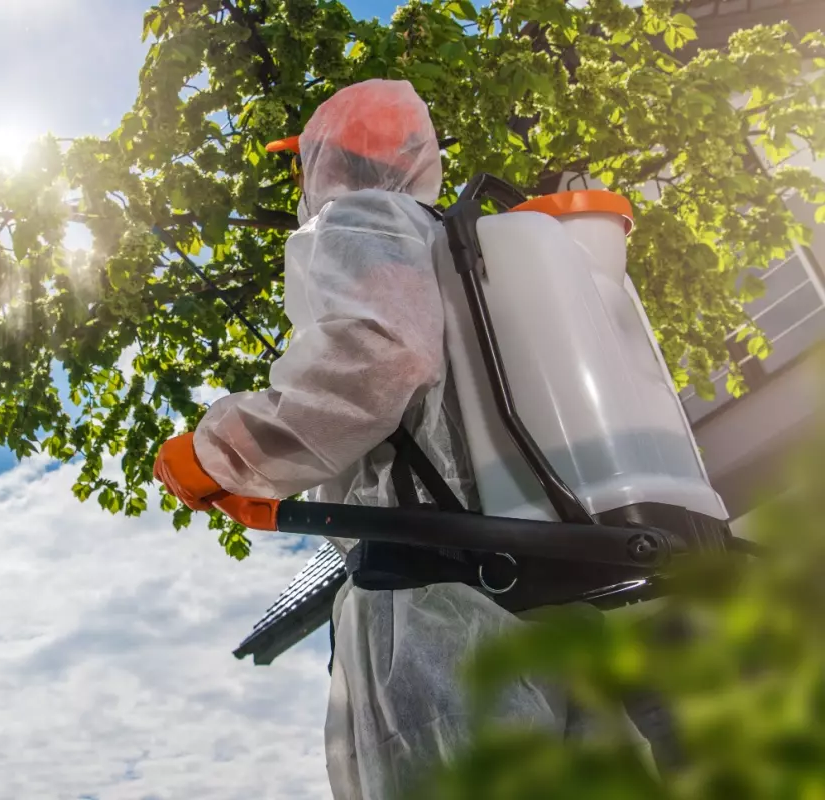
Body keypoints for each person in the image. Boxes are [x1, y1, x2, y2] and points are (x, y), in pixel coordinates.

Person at [152, 79, 647, 799]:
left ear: (333, 163)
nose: (301, 180)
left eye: (305, 161)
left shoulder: (364, 222)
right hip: (548, 581)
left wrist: (220, 455)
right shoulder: (468, 252)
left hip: (433, 594)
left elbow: (382, 356)